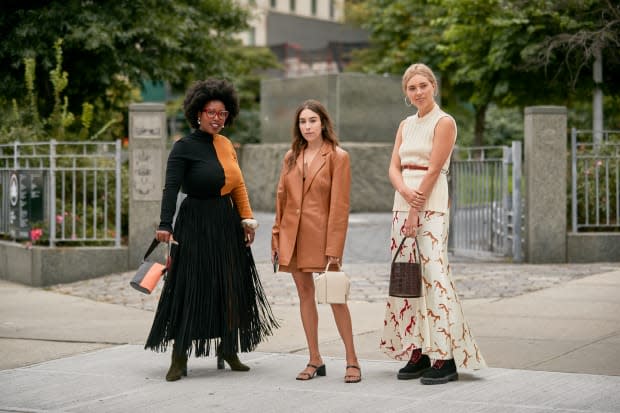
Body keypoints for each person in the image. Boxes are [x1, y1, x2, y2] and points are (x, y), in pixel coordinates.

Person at [145, 78, 278, 382]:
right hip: (194, 221)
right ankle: (179, 358)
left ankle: (229, 350)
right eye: (211, 112)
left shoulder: (226, 144)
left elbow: (238, 185)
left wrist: (247, 219)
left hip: (226, 222)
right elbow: (171, 189)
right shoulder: (183, 147)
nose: (217, 118)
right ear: (198, 113)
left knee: (230, 285)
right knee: (190, 286)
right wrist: (165, 224)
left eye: (222, 113)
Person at [380, 63, 486, 384]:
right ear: (406, 93)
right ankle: (419, 350)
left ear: (434, 87)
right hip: (402, 204)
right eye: (412, 88)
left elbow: (433, 169)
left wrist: (415, 208)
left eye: (423, 85)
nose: (418, 92)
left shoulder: (445, 122)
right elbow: (394, 168)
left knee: (435, 277)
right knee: (408, 278)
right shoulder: (405, 124)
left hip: (430, 206)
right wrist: (403, 193)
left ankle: (445, 356)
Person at [271, 99, 361, 383]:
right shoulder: (290, 157)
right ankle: (314, 359)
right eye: (302, 121)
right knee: (305, 296)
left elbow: (340, 206)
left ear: (323, 123)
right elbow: (281, 200)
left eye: (312, 120)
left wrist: (334, 248)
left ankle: (352, 360)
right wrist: (276, 238)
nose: (307, 126)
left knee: (335, 297)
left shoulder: (337, 156)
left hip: (323, 239)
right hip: (293, 236)